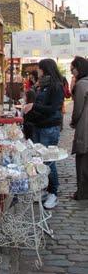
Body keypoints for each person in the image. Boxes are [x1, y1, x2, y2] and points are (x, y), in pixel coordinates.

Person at [23, 59, 64, 209]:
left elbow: (53, 109)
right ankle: (44, 189)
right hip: (38, 126)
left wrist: (34, 105)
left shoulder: (56, 86)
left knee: (48, 161)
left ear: (45, 69)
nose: (37, 71)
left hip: (49, 128)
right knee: (39, 160)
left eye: (39, 68)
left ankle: (53, 193)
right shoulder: (42, 85)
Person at [70, 56, 88, 200]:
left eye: (73, 69)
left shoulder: (82, 84)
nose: (72, 72)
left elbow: (77, 110)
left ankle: (82, 192)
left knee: (82, 161)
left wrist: (73, 121)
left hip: (85, 126)